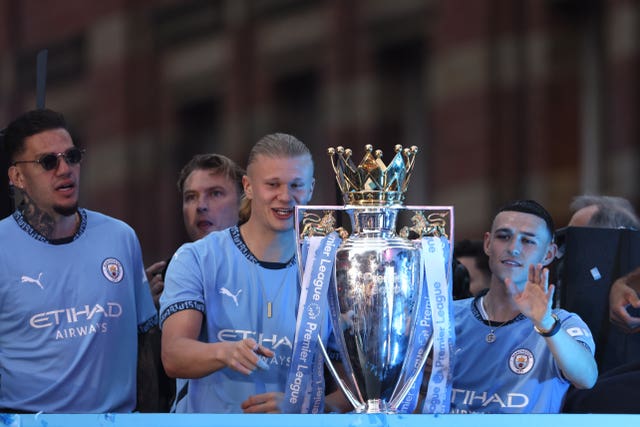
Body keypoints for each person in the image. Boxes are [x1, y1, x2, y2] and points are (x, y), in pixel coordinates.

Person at [160, 133, 337, 413]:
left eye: (296, 185)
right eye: (272, 185)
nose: (285, 196)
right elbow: (173, 355)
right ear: (249, 187)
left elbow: (354, 387)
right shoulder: (197, 257)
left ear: (311, 189)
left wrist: (306, 406)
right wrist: (224, 351)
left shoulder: (325, 268)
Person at [0, 109, 157, 413]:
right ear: (17, 176)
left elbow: (143, 348)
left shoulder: (120, 237)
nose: (65, 169)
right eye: (48, 161)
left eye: (71, 156)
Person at [449, 199, 597, 413]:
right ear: (488, 244)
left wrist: (546, 324)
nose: (513, 248)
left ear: (548, 254)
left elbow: (587, 378)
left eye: (528, 241)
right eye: (504, 236)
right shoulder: (446, 316)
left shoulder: (562, 323)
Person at [139, 153, 244, 412]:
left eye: (216, 193)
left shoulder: (275, 266)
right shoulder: (162, 279)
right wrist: (143, 320)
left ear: (245, 199)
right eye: (191, 197)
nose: (201, 206)